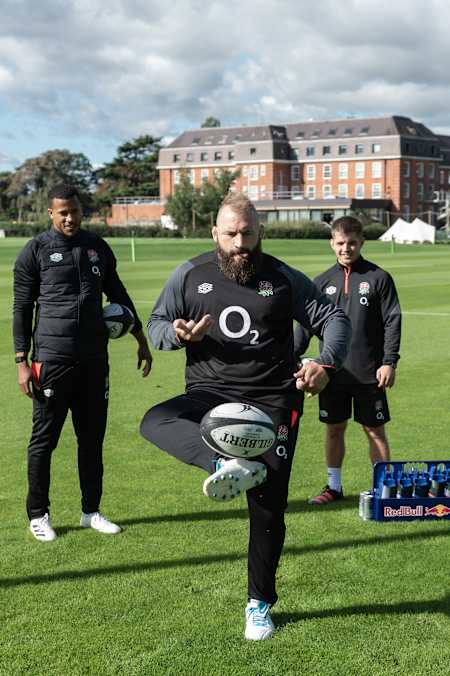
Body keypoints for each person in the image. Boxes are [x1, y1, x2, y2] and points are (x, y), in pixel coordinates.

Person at [140, 192, 351, 640]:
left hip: (273, 400)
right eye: (231, 233)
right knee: (154, 420)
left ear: (260, 233)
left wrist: (324, 362)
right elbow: (157, 324)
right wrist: (175, 333)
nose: (240, 242)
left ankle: (259, 604)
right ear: (215, 233)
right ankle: (225, 466)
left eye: (248, 233)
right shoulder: (190, 274)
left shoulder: (283, 278)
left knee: (268, 507)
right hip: (209, 393)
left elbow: (333, 317)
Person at [13, 183, 152, 542]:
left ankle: (91, 511)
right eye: (63, 213)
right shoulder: (35, 251)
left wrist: (140, 339)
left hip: (93, 361)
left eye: (75, 211)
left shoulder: (96, 248)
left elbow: (118, 294)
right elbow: (22, 308)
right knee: (44, 441)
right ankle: (38, 515)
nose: (70, 218)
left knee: (91, 441)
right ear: (51, 213)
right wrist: (21, 361)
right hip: (52, 359)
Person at [295, 216, 401, 505]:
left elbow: (392, 321)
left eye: (352, 243)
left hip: (370, 372)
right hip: (331, 374)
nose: (346, 248)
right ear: (332, 243)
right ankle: (334, 487)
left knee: (374, 430)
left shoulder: (379, 278)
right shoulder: (321, 282)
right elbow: (305, 325)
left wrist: (389, 361)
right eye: (340, 243)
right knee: (334, 429)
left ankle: (383, 490)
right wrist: (292, 358)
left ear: (362, 242)